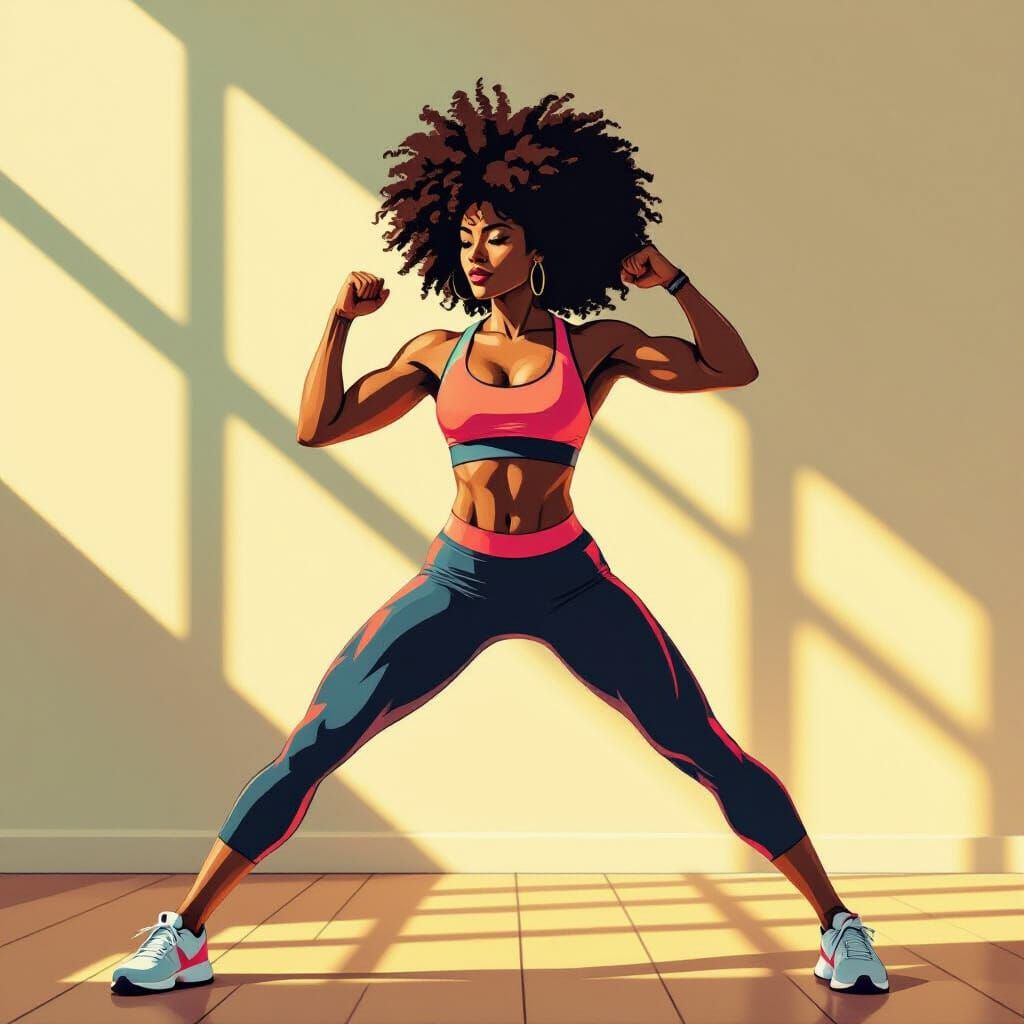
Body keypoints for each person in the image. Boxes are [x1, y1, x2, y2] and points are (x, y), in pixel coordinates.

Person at [111, 79, 888, 998]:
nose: (477, 255)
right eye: (467, 238)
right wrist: (338, 323)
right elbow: (319, 427)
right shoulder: (435, 351)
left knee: (700, 742)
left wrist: (672, 281)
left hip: (568, 582)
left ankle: (839, 927)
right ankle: (186, 934)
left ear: (540, 245)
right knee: (316, 742)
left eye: (499, 236)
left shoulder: (592, 346)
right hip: (460, 580)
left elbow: (731, 367)